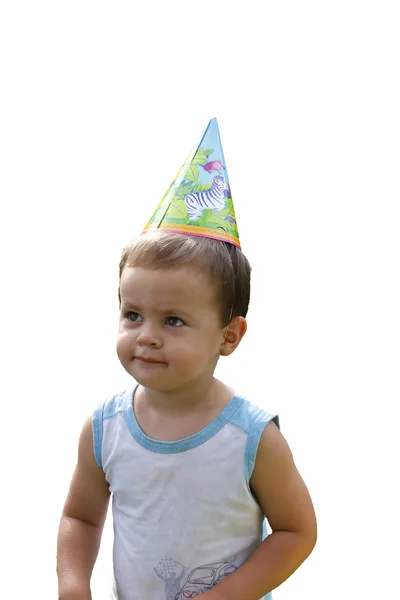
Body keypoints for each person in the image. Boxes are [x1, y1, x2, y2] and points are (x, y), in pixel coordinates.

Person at [57, 120, 317, 600]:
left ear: (229, 336)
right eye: (132, 314)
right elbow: (80, 516)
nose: (146, 337)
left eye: (173, 321)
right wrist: (73, 584)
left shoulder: (253, 438)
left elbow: (296, 532)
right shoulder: (105, 428)